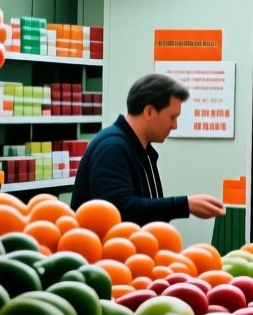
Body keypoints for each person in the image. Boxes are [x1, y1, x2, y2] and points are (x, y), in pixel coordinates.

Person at [72, 74, 225, 224]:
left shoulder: (138, 148)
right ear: (149, 112)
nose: (175, 125)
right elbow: (120, 210)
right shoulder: (112, 148)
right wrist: (185, 205)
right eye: (172, 117)